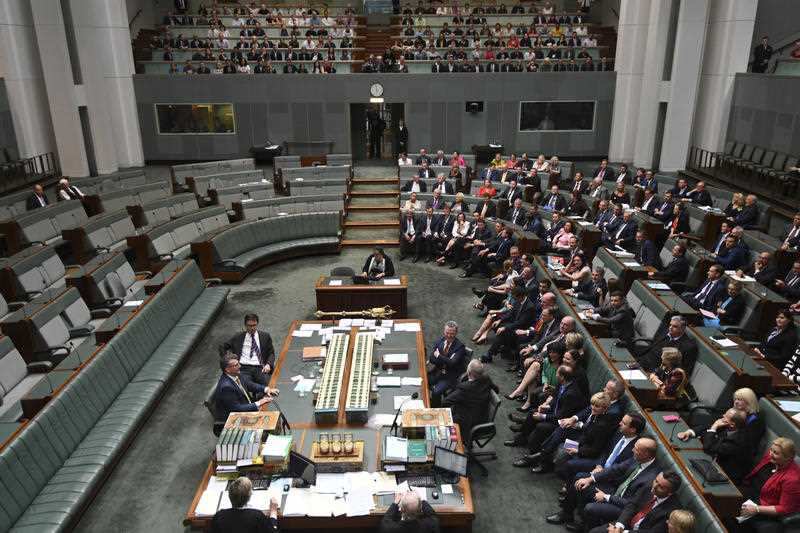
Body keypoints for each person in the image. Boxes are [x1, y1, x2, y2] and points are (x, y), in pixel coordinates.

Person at [547, 437, 659, 528]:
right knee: (581, 481)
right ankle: (567, 514)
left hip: (624, 507)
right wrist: (591, 479)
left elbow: (632, 505)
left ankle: (585, 527)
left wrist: (607, 497)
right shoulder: (638, 459)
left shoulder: (651, 478)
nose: (632, 450)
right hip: (616, 491)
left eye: (636, 449)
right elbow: (616, 469)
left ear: (646, 454)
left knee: (591, 508)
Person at [588, 471, 682, 533]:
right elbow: (632, 505)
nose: (654, 487)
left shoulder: (672, 511)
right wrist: (619, 526)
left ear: (670, 493)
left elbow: (653, 532)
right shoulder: (649, 486)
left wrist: (623, 532)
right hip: (626, 524)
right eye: (656, 481)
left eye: (661, 487)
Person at [738, 438, 800, 531]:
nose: (770, 454)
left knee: (733, 521)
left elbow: (784, 508)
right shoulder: (771, 458)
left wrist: (756, 509)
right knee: (723, 506)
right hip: (752, 494)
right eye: (771, 450)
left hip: (765, 508)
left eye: (775, 453)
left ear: (788, 457)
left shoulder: (792, 479)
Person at [443, 359, 498, 442]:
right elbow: (496, 390)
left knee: (445, 420)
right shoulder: (486, 378)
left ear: (468, 372)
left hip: (468, 423)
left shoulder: (465, 388)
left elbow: (445, 402)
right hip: (483, 417)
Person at [215, 353, 280, 423]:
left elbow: (249, 384)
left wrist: (266, 389)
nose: (240, 366)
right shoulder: (226, 387)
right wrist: (258, 403)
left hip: (246, 405)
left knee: (274, 413)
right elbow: (237, 408)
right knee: (272, 420)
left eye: (238, 363)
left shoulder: (235, 373)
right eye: (236, 365)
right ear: (227, 369)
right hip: (235, 418)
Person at [700, 408, 753, 484]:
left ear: (732, 424)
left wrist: (714, 426)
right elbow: (704, 437)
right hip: (715, 463)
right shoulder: (728, 427)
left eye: (726, 416)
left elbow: (708, 448)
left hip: (727, 477)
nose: (723, 416)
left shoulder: (738, 441)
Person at [222, 314, 276, 385]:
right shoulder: (238, 337)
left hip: (260, 367)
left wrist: (268, 364)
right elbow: (223, 347)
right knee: (244, 385)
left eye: (254, 325)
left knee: (269, 385)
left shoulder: (265, 336)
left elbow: (271, 353)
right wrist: (228, 360)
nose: (252, 328)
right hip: (243, 368)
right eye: (250, 326)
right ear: (245, 325)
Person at [211, 477, 279, 532]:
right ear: (249, 497)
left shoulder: (219, 516)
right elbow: (273, 531)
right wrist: (273, 512)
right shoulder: (257, 516)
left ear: (229, 495)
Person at [427, 321, 468, 400]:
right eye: (447, 333)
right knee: (423, 380)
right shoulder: (440, 341)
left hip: (450, 376)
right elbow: (432, 358)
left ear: (456, 333)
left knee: (436, 392)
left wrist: (438, 356)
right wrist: (446, 360)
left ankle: (436, 408)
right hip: (438, 371)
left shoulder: (460, 347)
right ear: (444, 331)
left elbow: (452, 363)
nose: (449, 335)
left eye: (452, 333)